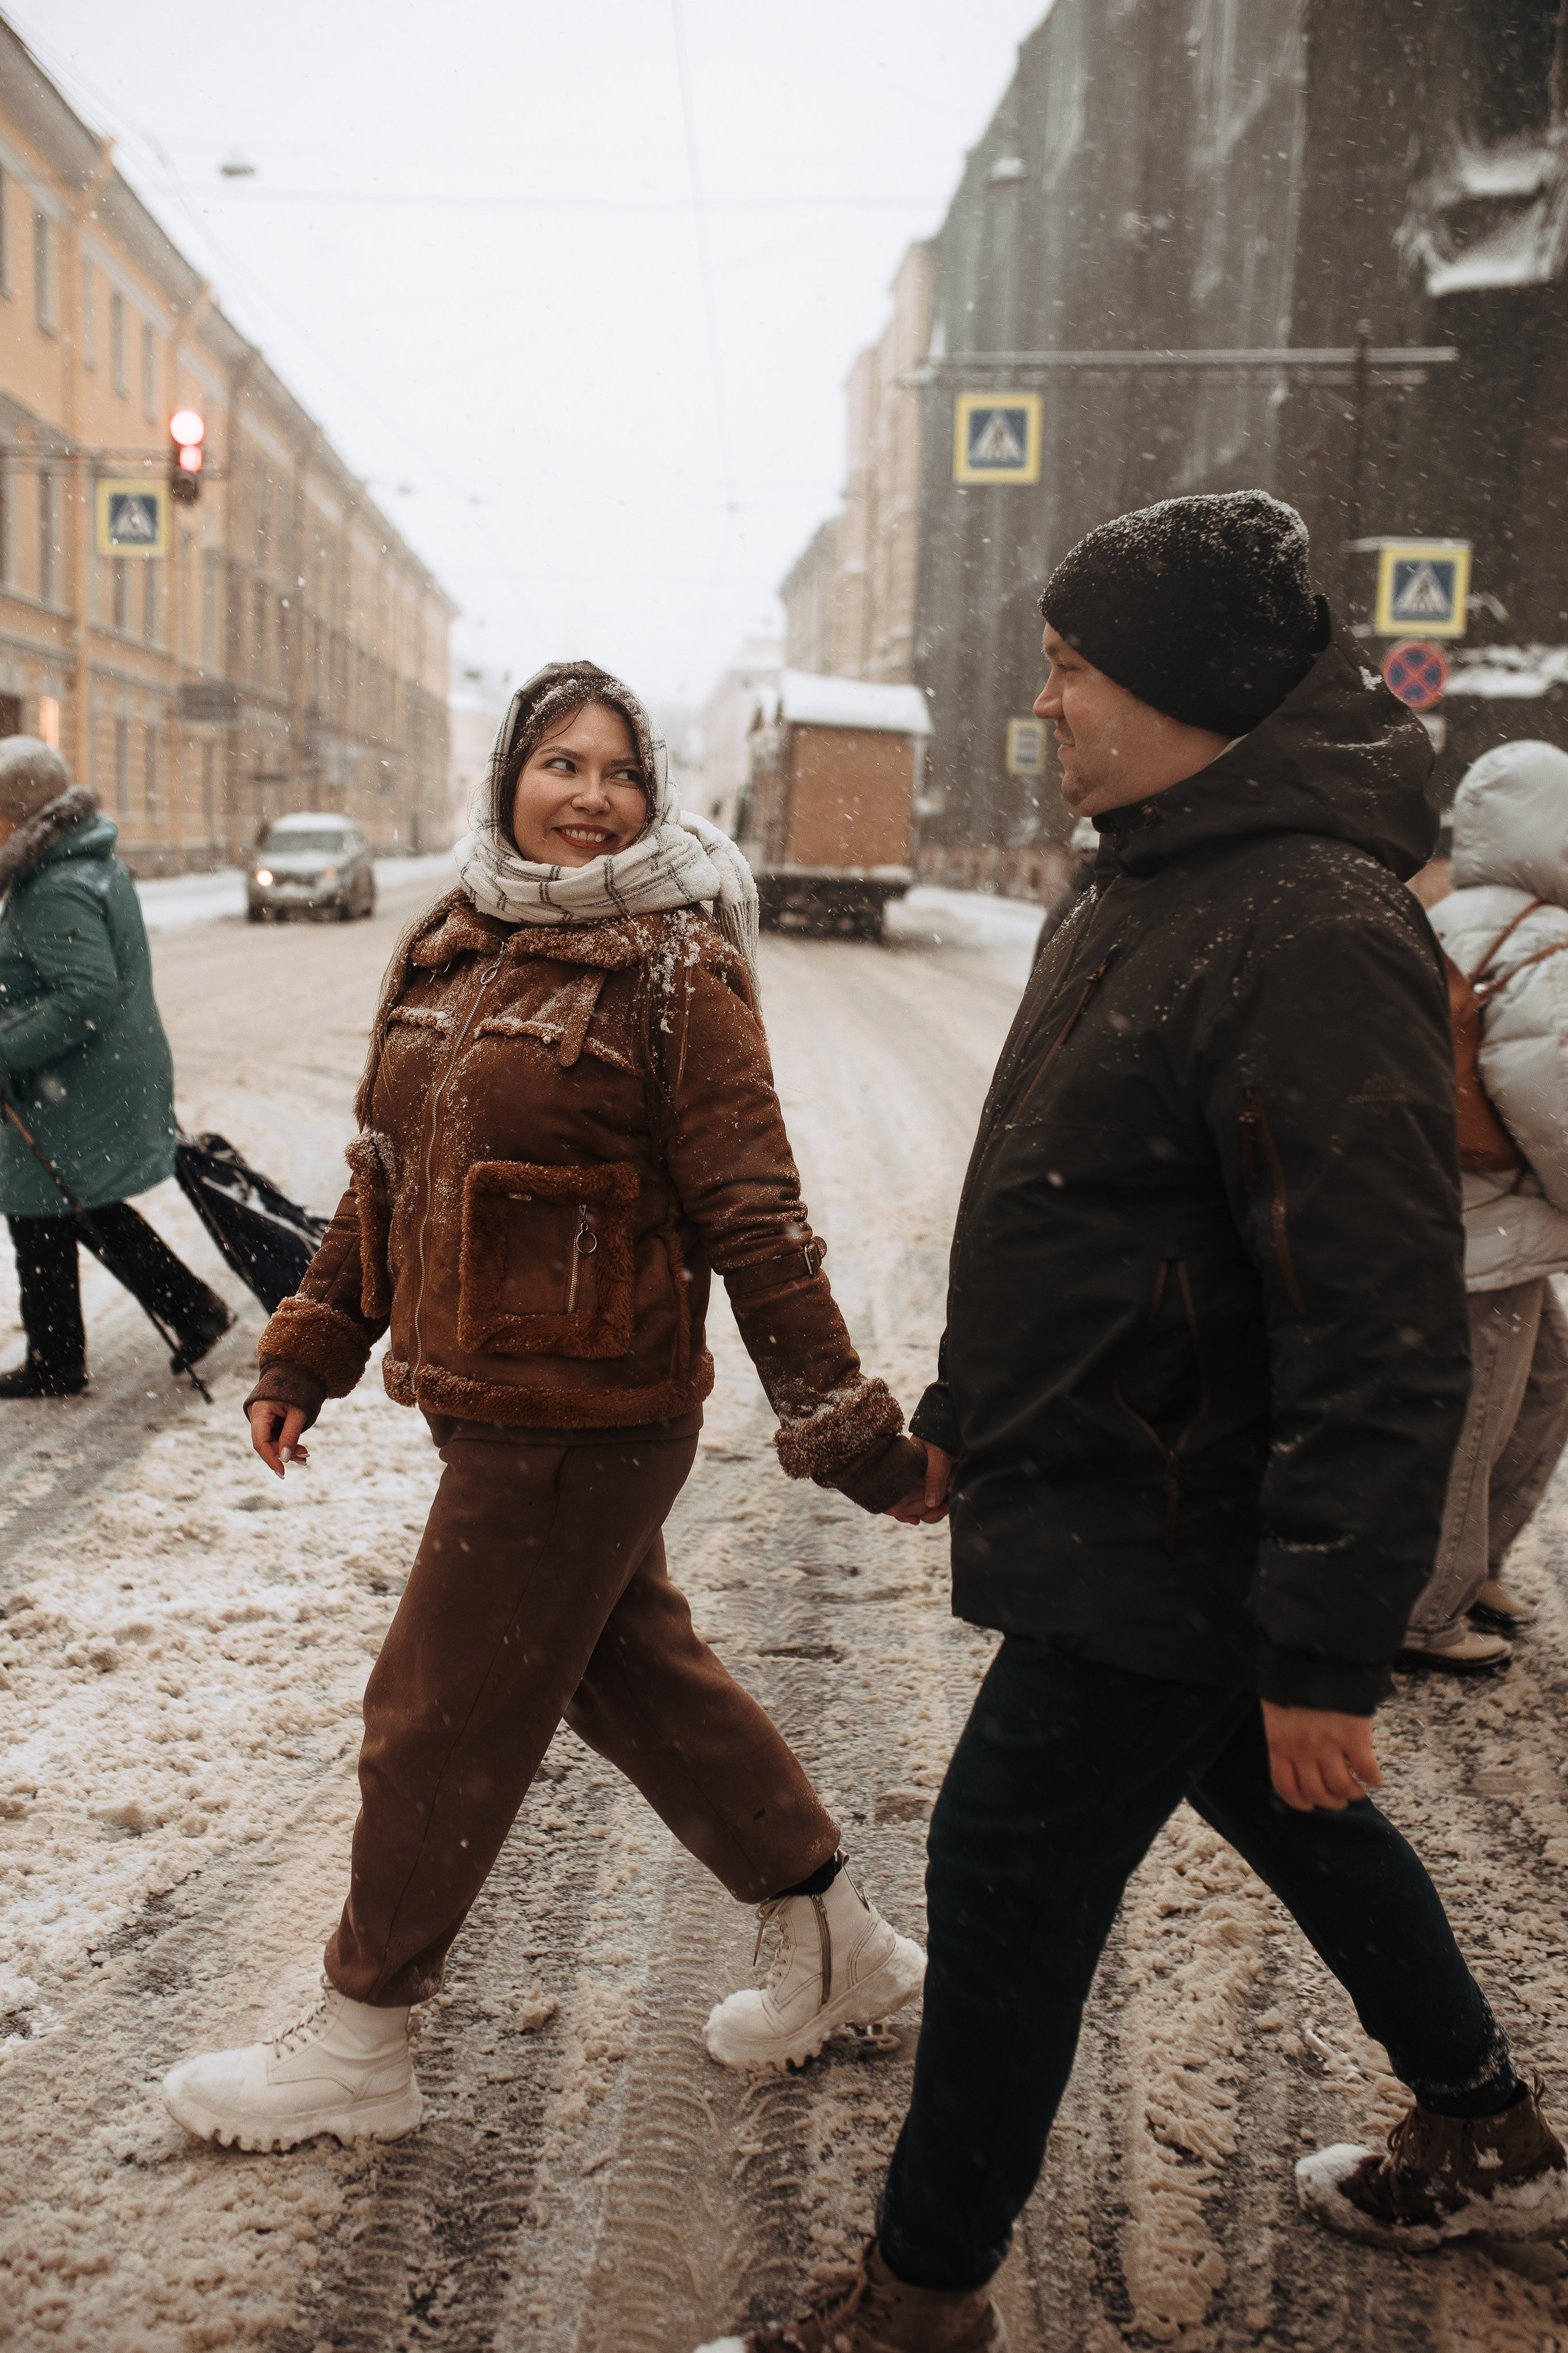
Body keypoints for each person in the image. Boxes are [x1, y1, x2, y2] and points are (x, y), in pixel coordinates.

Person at [717, 496, 1568, 2353]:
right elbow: (1092, 1228)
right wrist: (960, 1426)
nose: (1043, 702)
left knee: (1006, 1866)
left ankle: (915, 2306)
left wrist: (1327, 1640)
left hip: (1189, 1518)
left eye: (1073, 666)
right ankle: (1487, 2121)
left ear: (1179, 684)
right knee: (1282, 1808)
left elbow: (1377, 1317)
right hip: (1129, 1486)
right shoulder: (1143, 873)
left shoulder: (1314, 923)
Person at [161, 661, 927, 2153]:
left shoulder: (675, 971)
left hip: (587, 1409)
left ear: (656, 796)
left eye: (621, 772)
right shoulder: (451, 945)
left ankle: (359, 2035)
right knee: (629, 1670)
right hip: (489, 1399)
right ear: (510, 774)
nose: (590, 797)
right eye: (560, 764)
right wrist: (306, 1347)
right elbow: (382, 1175)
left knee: (433, 1713)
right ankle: (840, 1943)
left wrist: (847, 1428)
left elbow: (757, 1216)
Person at [1397, 741, 1568, 1675]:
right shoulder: (1542, 938)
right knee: (1475, 1418)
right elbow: (1554, 1102)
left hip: (1436, 1201)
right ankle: (1425, 1610)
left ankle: (1477, 1564)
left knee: (1542, 1382)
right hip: (1489, 1216)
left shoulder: (1441, 916)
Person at [0, 738, 231, 1399]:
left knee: (57, 1206)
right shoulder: (89, 866)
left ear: (19, 816)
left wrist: (6, 1045)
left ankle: (79, 1350)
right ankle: (69, 1350)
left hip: (72, 1080)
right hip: (98, 1071)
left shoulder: (53, 886)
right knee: (59, 1209)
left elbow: (85, 994)